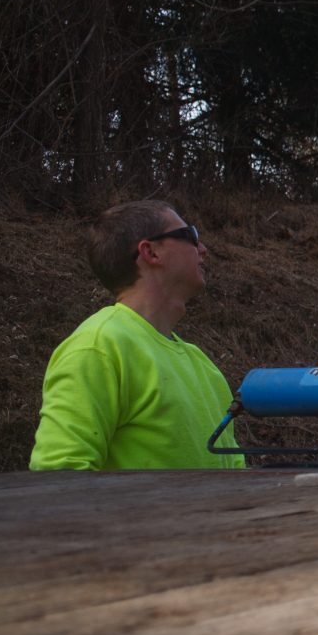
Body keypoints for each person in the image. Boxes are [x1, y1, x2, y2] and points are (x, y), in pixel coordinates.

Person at [30, 201, 245, 471]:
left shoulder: (202, 363)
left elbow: (234, 468)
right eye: (190, 236)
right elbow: (60, 476)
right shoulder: (99, 346)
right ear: (151, 252)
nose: (203, 249)